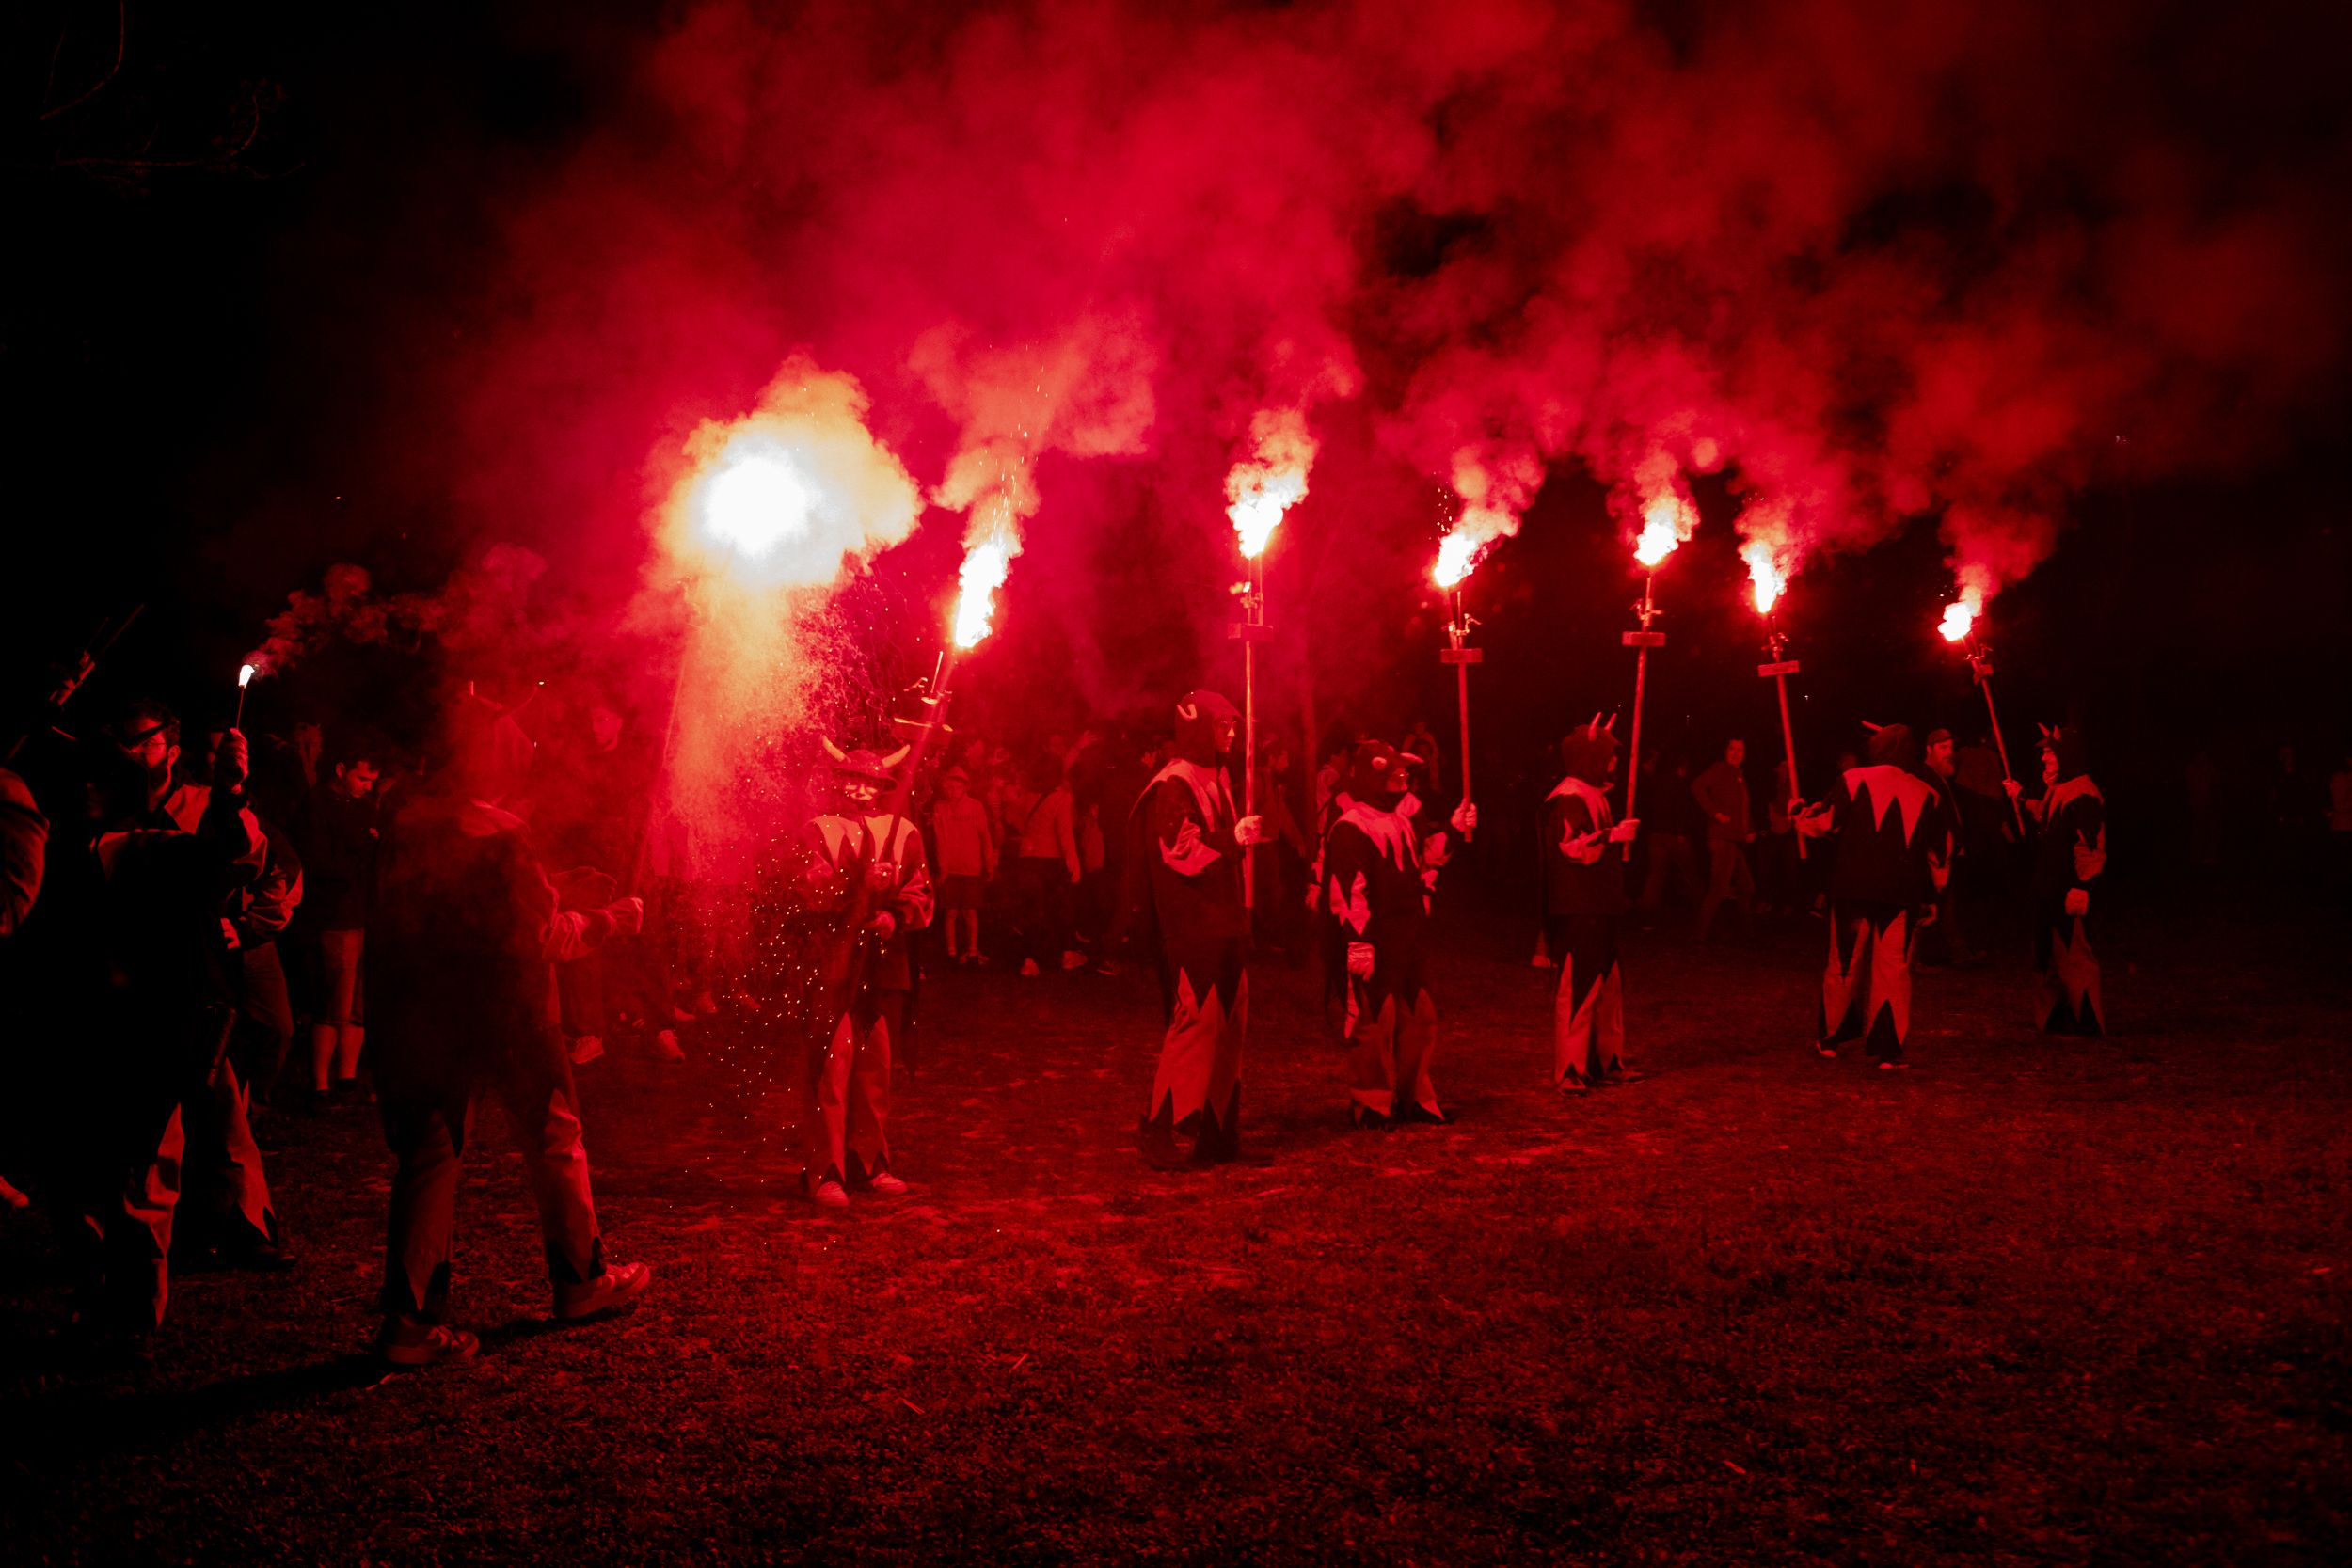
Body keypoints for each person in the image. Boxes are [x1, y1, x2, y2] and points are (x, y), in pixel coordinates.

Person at [367, 693, 653, 1365]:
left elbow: (472, 910)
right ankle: (581, 1282)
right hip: (512, 1014)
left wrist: (555, 882)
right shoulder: (505, 834)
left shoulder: (405, 822)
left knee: (431, 1157)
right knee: (556, 1137)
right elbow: (539, 938)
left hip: (427, 1015)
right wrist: (612, 919)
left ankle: (407, 1320)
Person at [80, 701, 280, 1340]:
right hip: (127, 1000)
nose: (122, 753)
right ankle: (124, 1303)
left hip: (191, 995)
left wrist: (230, 794)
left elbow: (242, 857)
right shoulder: (108, 820)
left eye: (135, 741)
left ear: (166, 743)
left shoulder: (193, 809)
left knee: (216, 1120)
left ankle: (248, 1226)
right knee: (137, 1154)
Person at [1129, 690, 1266, 1169]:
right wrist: (1233, 838)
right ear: (1197, 726)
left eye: (1232, 726)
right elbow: (1180, 850)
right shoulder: (1173, 784)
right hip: (1191, 926)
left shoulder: (1216, 777)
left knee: (1230, 1026)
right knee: (1195, 1025)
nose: (1231, 734)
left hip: (1225, 922)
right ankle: (1158, 1128)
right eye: (1221, 726)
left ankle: (1219, 1135)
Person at [797, 740, 933, 1207]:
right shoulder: (819, 829)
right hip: (834, 962)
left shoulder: (904, 832)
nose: (860, 789)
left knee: (875, 1070)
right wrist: (857, 884)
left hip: (883, 965)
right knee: (832, 1068)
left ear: (882, 787)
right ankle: (825, 1170)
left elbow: (921, 889)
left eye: (871, 782)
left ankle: (869, 1161)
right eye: (851, 779)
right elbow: (809, 891)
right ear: (836, 783)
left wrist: (894, 913)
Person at [1319, 739, 1474, 1128]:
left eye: (1402, 775)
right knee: (1374, 1021)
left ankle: (1415, 1095)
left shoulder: (1401, 821)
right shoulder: (1351, 827)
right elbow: (1347, 888)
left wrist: (1454, 831)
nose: (1401, 781)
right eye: (1392, 776)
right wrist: (1358, 939)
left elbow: (1424, 860)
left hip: (1410, 935)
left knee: (1419, 1016)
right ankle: (1371, 1101)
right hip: (1375, 935)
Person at [1797, 722, 1953, 1069]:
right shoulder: (1928, 793)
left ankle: (1831, 1040)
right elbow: (1941, 852)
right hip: (1900, 896)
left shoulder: (1854, 780)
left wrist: (1798, 815)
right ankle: (1888, 1051)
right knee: (1893, 971)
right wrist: (1934, 894)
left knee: (1843, 965)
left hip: (1854, 892)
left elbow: (1823, 822)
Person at [1544, 720, 1642, 1093]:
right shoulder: (1568, 796)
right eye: (1609, 754)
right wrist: (1611, 835)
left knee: (1609, 985)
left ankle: (1606, 1060)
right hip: (1579, 906)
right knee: (1578, 986)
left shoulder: (1593, 793)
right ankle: (1569, 1067)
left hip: (1602, 904)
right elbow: (1571, 848)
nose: (1615, 761)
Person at [294, 738, 379, 1105]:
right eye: (362, 778)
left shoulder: (362, 806)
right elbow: (319, 863)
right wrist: (363, 848)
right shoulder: (317, 805)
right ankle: (319, 1083)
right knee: (333, 1002)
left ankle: (346, 1077)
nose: (368, 786)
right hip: (335, 916)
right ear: (341, 770)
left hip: (362, 913)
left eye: (372, 781)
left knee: (357, 1002)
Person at [2010, 726, 2107, 1037]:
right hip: (2048, 887)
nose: (2044, 758)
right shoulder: (2061, 788)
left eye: (2050, 752)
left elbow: (2088, 844)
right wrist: (2022, 796)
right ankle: (2055, 1019)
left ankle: (2087, 1023)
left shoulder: (2083, 793)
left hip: (2069, 888)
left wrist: (2083, 885)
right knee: (2046, 954)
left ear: (2067, 754)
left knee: (2074, 954)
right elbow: (2049, 818)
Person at [1002, 752, 1082, 975]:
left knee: (1033, 912)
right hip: (1052, 863)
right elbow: (1065, 834)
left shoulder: (1025, 797)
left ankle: (1031, 961)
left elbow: (1013, 821)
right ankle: (1066, 955)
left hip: (1027, 862)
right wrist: (1074, 864)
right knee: (1059, 911)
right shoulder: (1061, 798)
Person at [930, 766, 996, 966]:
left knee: (970, 910)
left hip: (971, 867)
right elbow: (939, 839)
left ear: (965, 787)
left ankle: (973, 951)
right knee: (950, 911)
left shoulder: (975, 806)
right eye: (949, 787)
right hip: (951, 868)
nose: (953, 791)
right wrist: (943, 868)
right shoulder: (940, 807)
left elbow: (985, 836)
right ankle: (951, 952)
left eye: (957, 787)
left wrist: (989, 863)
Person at [1691, 738, 1755, 942]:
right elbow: (1697, 786)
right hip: (1722, 838)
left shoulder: (1738, 775)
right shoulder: (1720, 769)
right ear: (1725, 751)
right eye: (1732, 749)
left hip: (1734, 839)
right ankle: (1700, 936)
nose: (1736, 753)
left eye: (1740, 750)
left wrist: (1749, 829)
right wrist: (1715, 813)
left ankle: (1744, 935)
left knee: (1745, 887)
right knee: (1718, 889)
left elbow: (1741, 808)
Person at [1635, 754, 1703, 927]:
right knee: (1690, 873)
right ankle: (1704, 913)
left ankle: (1646, 918)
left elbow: (1649, 807)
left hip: (1656, 834)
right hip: (1674, 835)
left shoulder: (1656, 783)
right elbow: (1681, 809)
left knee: (1655, 877)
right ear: (1681, 768)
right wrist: (1681, 831)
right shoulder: (1678, 784)